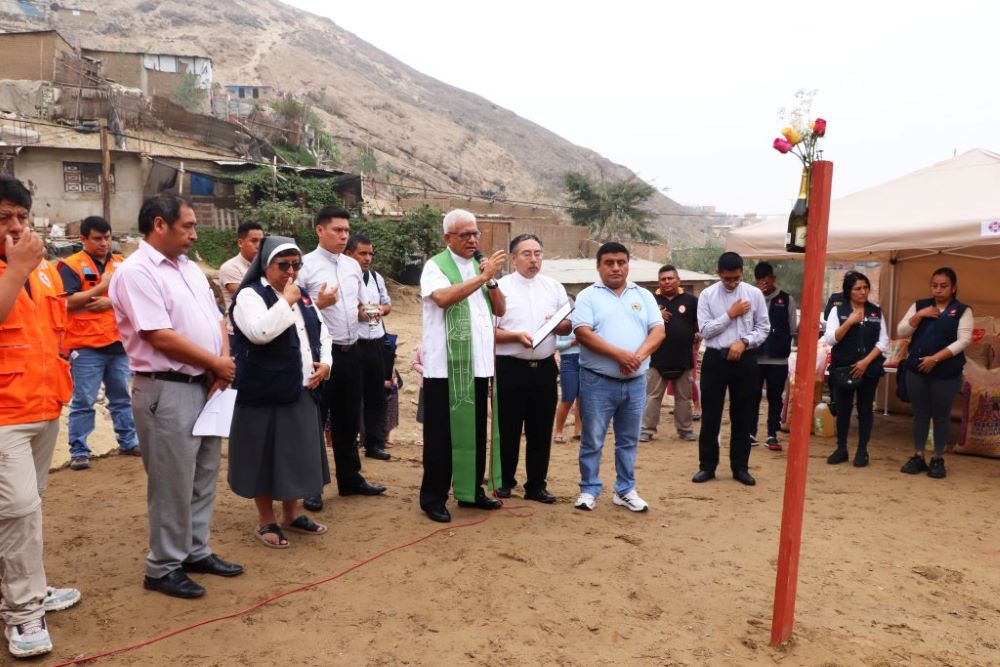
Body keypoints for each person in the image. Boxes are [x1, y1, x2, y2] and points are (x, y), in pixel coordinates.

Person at [109, 192, 244, 599]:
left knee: (203, 473)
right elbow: (156, 334)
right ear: (159, 225)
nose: (194, 234)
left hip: (204, 384)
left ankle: (194, 550)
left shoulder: (187, 268)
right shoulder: (137, 272)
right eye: (187, 226)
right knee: (171, 481)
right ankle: (163, 565)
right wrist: (213, 364)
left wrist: (221, 361)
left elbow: (216, 318)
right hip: (165, 388)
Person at [0, 175, 80, 659]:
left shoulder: (44, 270)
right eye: (3, 218)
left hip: (45, 408)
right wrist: (14, 270)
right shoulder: (21, 265)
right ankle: (24, 611)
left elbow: (51, 324)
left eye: (22, 218)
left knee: (23, 512)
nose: (15, 227)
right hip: (4, 415)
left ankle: (23, 585)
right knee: (19, 511)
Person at [228, 236, 332, 548]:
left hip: (299, 390)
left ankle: (291, 514)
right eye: (283, 265)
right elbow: (260, 333)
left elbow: (321, 331)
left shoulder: (301, 295)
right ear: (265, 265)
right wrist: (286, 301)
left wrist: (326, 363)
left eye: (296, 265)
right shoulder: (250, 295)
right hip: (264, 391)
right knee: (264, 457)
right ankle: (266, 521)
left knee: (295, 456)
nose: (291, 271)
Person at [419, 209, 507, 523]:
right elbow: (442, 298)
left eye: (475, 234)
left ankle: (471, 492)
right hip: (446, 369)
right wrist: (482, 277)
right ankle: (433, 498)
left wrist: (491, 281)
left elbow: (501, 309)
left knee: (475, 432)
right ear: (448, 238)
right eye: (465, 234)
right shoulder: (436, 266)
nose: (472, 240)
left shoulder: (479, 267)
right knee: (441, 437)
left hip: (479, 365)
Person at [298, 207, 386, 511]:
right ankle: (312, 486)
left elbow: (363, 308)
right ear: (320, 231)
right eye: (337, 230)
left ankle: (350, 479)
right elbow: (294, 308)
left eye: (346, 230)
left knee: (349, 418)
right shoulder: (305, 266)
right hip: (321, 355)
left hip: (353, 351)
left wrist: (375, 331)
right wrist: (318, 304)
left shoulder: (351, 266)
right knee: (315, 420)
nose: (343, 236)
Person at [571, 242, 664, 512]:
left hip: (635, 382)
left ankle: (625, 490)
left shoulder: (643, 295)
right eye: (609, 262)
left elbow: (657, 331)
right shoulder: (588, 296)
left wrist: (635, 357)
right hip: (597, 382)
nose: (616, 267)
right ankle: (589, 489)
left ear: (627, 264)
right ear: (598, 266)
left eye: (621, 262)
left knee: (628, 440)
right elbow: (583, 333)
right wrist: (619, 356)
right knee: (593, 439)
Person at [57, 216, 140, 470]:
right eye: (97, 238)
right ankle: (79, 451)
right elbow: (68, 302)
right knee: (83, 401)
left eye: (107, 237)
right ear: (83, 240)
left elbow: (136, 297)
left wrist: (110, 302)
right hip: (86, 345)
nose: (104, 243)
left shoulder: (121, 263)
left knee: (121, 397)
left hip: (118, 343)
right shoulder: (70, 266)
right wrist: (101, 288)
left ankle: (128, 441)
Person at [495, 234, 570, 503]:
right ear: (513, 257)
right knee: (508, 427)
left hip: (545, 369)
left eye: (538, 253)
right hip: (510, 368)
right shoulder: (499, 287)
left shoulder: (554, 287)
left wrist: (558, 324)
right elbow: (488, 330)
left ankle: (536, 485)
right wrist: (515, 336)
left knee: (540, 429)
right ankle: (504, 481)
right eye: (526, 253)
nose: (533, 259)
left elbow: (567, 325)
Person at [692, 252, 770, 486]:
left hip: (745, 359)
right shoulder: (707, 295)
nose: (732, 283)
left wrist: (744, 341)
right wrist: (730, 314)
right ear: (718, 273)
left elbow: (764, 328)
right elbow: (705, 331)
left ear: (742, 272)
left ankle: (740, 467)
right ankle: (707, 466)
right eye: (727, 279)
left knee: (743, 415)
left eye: (736, 278)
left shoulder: (754, 294)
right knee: (711, 415)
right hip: (716, 359)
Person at [897, 268, 972, 479]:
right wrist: (919, 315)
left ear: (954, 288)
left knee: (941, 416)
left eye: (944, 286)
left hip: (946, 372)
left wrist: (935, 358)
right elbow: (901, 331)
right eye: (934, 285)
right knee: (920, 414)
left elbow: (964, 341)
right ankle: (918, 456)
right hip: (917, 370)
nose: (938, 290)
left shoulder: (963, 310)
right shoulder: (920, 306)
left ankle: (938, 458)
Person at [823, 272, 888, 467]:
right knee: (843, 409)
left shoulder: (876, 312)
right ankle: (841, 448)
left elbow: (883, 341)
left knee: (865, 409)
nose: (863, 292)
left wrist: (865, 362)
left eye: (865, 288)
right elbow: (831, 339)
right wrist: (850, 322)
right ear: (849, 291)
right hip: (844, 367)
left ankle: (862, 451)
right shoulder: (838, 311)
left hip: (868, 368)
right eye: (857, 288)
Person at [345, 233, 392, 461]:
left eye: (370, 254)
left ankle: (374, 444)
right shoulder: (343, 278)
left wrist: (378, 311)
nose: (367, 258)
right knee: (353, 397)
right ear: (349, 254)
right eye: (362, 253)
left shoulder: (375, 277)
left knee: (376, 395)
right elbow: (343, 310)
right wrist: (362, 313)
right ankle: (352, 443)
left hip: (376, 342)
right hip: (354, 343)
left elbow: (387, 304)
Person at [640, 265, 699, 443]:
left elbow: (700, 322)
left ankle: (685, 429)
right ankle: (647, 430)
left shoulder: (691, 300)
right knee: (652, 397)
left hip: (683, 358)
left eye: (670, 278)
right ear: (659, 282)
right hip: (656, 358)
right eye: (663, 279)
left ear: (678, 280)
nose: (667, 282)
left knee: (684, 398)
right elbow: (638, 321)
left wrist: (698, 335)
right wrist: (656, 314)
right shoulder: (650, 301)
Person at [751, 261, 797, 451]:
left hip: (778, 360)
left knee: (775, 397)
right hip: (754, 359)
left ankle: (772, 434)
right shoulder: (752, 299)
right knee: (751, 397)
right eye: (760, 281)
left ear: (773, 279)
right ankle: (750, 433)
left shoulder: (787, 300)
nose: (764, 284)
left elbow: (793, 328)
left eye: (767, 280)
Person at [217, 221, 264, 332]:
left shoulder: (266, 266)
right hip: (237, 331)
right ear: (240, 243)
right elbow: (247, 296)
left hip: (261, 328)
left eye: (261, 241)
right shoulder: (230, 267)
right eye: (253, 241)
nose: (258, 246)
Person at [553, 330, 582, 443]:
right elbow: (554, 344)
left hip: (584, 359)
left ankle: (578, 430)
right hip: (568, 360)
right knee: (568, 398)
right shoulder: (562, 320)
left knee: (581, 398)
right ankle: (558, 431)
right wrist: (572, 342)